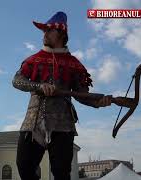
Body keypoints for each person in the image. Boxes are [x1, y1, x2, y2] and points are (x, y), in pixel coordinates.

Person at [12, 12, 111, 180]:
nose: (44, 34)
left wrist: (98, 103)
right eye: (44, 30)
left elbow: (81, 94)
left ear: (61, 34)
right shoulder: (34, 59)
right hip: (33, 122)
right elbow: (17, 80)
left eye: (49, 30)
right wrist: (39, 86)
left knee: (61, 173)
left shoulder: (73, 63)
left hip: (63, 123)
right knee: (24, 166)